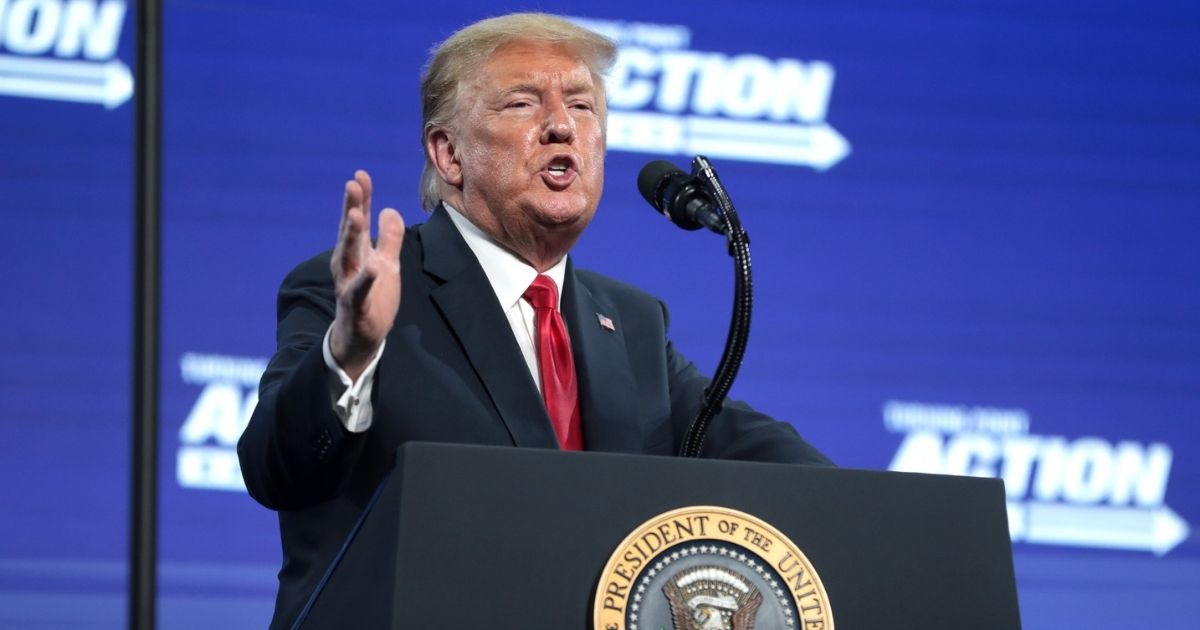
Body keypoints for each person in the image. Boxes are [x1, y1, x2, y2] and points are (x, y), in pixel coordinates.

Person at [237, 12, 831, 628]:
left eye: (582, 106)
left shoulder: (630, 323)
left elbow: (756, 451)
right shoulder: (362, 294)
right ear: (448, 153)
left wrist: (891, 512)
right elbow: (276, 469)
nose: (560, 126)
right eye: (522, 104)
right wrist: (351, 351)